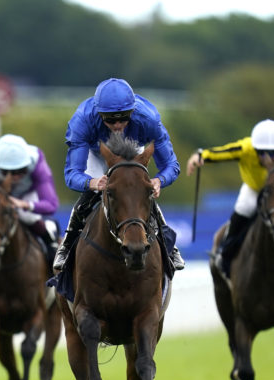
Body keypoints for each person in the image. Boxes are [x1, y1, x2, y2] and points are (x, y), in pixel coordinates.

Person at [54, 77, 185, 272]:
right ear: (99, 114)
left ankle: (169, 246)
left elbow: (171, 165)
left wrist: (159, 180)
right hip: (96, 153)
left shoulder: (148, 119)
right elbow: (72, 174)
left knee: (140, 191)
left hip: (132, 151)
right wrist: (93, 182)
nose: (117, 125)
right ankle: (67, 244)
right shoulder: (82, 119)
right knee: (90, 195)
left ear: (133, 112)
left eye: (124, 117)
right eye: (110, 119)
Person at [186, 119, 274, 277]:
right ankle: (224, 253)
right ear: (255, 148)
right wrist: (200, 156)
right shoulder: (246, 148)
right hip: (253, 189)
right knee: (241, 213)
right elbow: (223, 152)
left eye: (273, 153)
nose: (268, 158)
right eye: (262, 152)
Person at [0, 134, 60, 277]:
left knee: (31, 219)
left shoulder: (37, 161)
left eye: (21, 170)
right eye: (7, 172)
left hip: (26, 196)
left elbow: (51, 204)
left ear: (28, 164)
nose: (15, 177)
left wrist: (25, 204)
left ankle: (53, 254)